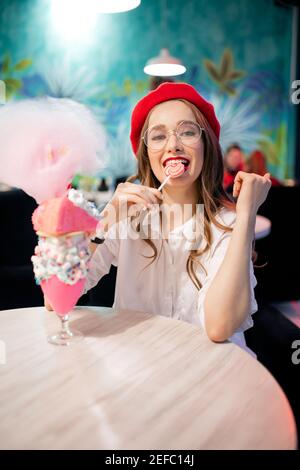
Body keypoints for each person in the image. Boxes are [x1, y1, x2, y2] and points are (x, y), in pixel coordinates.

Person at [45, 82, 271, 356]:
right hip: (142, 370)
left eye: (188, 132)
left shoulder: (226, 221)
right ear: (146, 153)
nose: (173, 145)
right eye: (158, 136)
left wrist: (245, 214)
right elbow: (55, 301)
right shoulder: (126, 216)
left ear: (206, 145)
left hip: (212, 373)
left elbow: (219, 326)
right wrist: (102, 224)